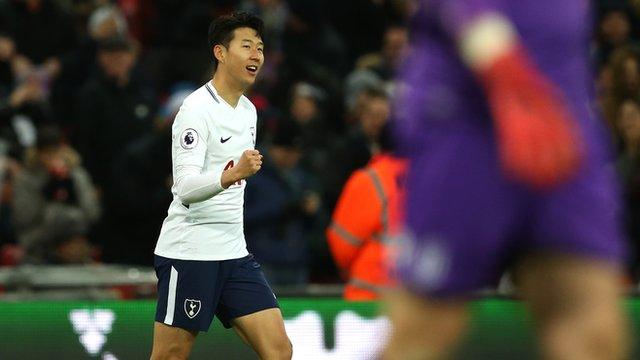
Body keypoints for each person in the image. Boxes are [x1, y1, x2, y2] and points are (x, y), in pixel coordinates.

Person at [384, 1, 629, 360]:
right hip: (464, 113)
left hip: (561, 109)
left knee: (590, 326)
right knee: (426, 326)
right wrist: (498, 60)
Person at [150, 12, 292, 360]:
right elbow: (184, 187)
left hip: (234, 253)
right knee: (170, 356)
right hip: (190, 253)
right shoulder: (195, 110)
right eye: (247, 46)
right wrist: (231, 174)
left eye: (260, 47)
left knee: (279, 350)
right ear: (220, 53)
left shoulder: (248, 111)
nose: (257, 55)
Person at [327, 124, 406, 300]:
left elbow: (342, 243)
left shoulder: (371, 179)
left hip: (370, 294)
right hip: (423, 301)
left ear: (377, 147)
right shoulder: (434, 178)